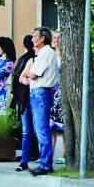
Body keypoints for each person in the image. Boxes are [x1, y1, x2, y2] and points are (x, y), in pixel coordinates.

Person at [21, 27, 58, 177]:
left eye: (34, 36)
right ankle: (44, 162)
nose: (32, 39)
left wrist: (29, 72)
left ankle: (45, 164)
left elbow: (33, 74)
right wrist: (29, 74)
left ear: (42, 38)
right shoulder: (43, 53)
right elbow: (26, 76)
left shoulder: (46, 53)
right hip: (37, 92)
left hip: (41, 92)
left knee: (42, 130)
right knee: (38, 130)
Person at [10, 35, 34, 172]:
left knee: (30, 131)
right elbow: (20, 77)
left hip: (26, 98)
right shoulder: (28, 59)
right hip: (26, 97)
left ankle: (29, 159)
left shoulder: (29, 58)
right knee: (29, 131)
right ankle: (28, 159)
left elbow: (17, 77)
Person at [50, 30, 65, 165]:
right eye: (54, 38)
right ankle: (50, 153)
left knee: (63, 124)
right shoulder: (50, 54)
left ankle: (64, 154)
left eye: (59, 38)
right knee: (51, 125)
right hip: (51, 88)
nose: (56, 40)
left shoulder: (65, 56)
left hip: (61, 89)